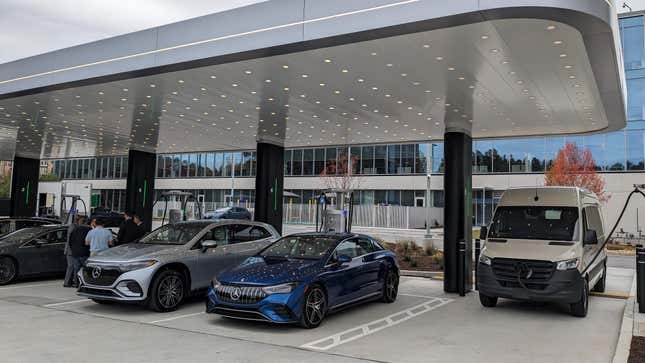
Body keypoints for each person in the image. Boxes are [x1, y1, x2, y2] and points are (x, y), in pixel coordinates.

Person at [68, 216, 91, 287]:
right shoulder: (89, 230)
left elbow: (70, 241)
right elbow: (88, 242)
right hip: (85, 252)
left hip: (75, 253)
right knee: (86, 269)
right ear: (86, 222)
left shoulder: (74, 229)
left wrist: (73, 249)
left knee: (76, 269)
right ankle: (85, 283)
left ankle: (76, 283)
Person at [63, 215, 80, 287]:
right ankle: (67, 282)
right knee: (71, 266)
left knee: (71, 266)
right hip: (70, 250)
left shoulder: (73, 226)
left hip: (70, 249)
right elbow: (70, 239)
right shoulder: (73, 227)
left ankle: (69, 282)